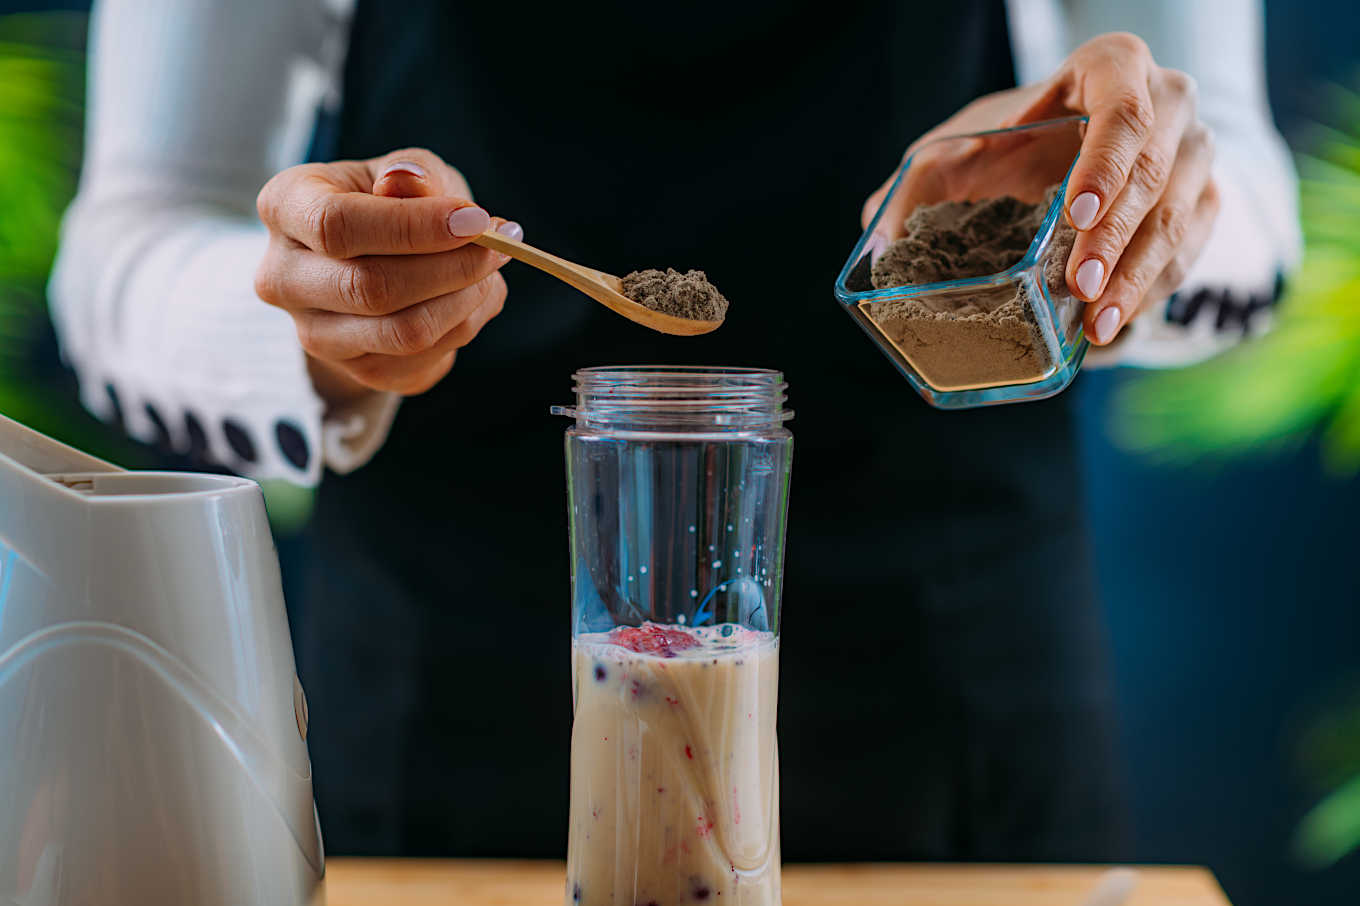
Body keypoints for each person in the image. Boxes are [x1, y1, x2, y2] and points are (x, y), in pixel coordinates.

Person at [50, 0, 1299, 859]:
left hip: (951, 680)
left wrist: (1125, 217)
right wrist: (318, 321)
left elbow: (1235, 187)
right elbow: (131, 238)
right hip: (457, 687)